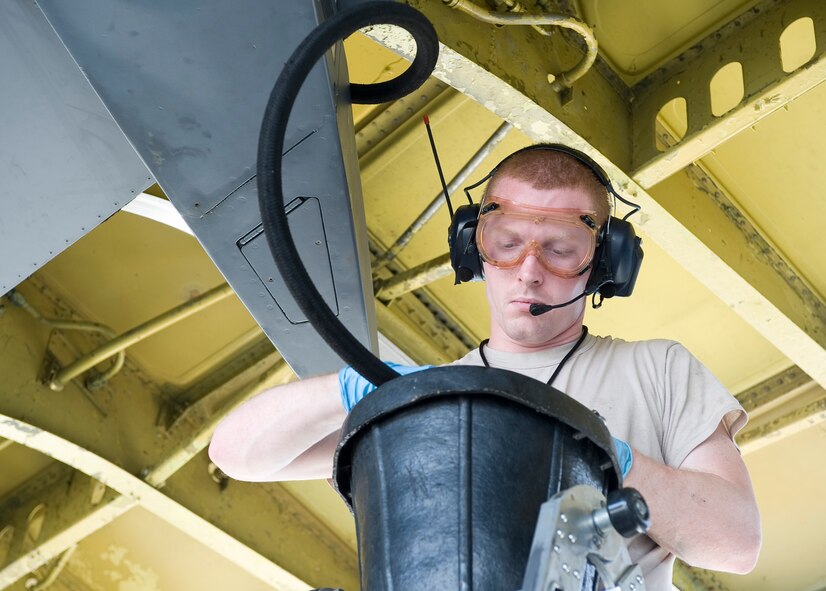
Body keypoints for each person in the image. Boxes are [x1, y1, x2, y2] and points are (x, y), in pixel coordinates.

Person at [209, 145, 761, 590]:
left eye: (561, 249)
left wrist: (599, 452)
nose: (528, 272)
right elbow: (237, 454)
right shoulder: (438, 408)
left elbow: (735, 543)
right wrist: (357, 390)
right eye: (508, 243)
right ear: (473, 247)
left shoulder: (656, 369)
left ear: (605, 263)